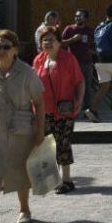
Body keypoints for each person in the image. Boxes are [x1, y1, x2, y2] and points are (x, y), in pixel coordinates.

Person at [0, 30, 46, 223]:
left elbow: (39, 103)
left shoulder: (27, 72)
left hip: (21, 129)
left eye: (6, 47)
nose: (2, 50)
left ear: (15, 49)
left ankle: (24, 210)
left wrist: (40, 132)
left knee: (18, 169)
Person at [33, 26, 84, 193]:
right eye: (44, 40)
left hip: (65, 110)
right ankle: (51, 179)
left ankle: (67, 181)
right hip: (44, 110)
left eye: (51, 39)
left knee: (63, 143)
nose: (47, 42)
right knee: (47, 145)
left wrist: (79, 99)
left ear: (59, 42)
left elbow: (79, 81)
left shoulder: (68, 59)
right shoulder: (38, 60)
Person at [62, 9, 97, 120]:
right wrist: (73, 39)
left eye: (80, 16)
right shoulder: (69, 29)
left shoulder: (90, 30)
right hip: (72, 65)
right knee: (72, 88)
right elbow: (60, 43)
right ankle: (72, 111)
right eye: (76, 16)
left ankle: (87, 111)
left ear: (86, 18)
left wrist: (93, 52)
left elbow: (95, 45)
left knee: (87, 88)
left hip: (87, 63)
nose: (77, 18)